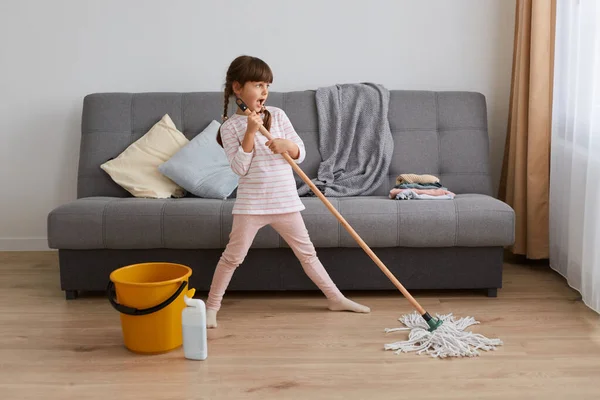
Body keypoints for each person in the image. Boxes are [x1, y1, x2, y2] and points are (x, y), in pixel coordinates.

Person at [205, 55, 370, 328]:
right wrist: (249, 133)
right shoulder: (230, 127)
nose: (264, 91)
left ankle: (335, 297)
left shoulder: (278, 116)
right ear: (237, 88)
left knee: (307, 254)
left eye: (267, 85)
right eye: (258, 85)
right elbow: (239, 169)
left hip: (285, 202)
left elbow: (300, 152)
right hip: (251, 206)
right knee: (233, 257)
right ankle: (211, 307)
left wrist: (286, 146)